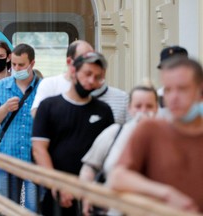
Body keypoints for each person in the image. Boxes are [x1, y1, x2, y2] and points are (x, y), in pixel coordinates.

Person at [108, 57, 203, 213]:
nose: (173, 98)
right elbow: (117, 177)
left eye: (182, 89)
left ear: (200, 91)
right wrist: (166, 193)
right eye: (168, 90)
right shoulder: (150, 130)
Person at [32, 52, 115, 216]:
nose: (91, 81)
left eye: (98, 77)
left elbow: (110, 153)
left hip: (93, 193)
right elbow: (39, 149)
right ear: (73, 71)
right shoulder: (48, 106)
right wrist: (57, 185)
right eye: (87, 74)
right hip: (56, 192)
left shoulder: (104, 111)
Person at [79, 83, 158, 215]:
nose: (143, 111)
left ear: (157, 108)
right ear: (129, 109)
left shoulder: (168, 139)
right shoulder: (114, 133)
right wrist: (87, 194)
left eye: (149, 106)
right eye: (138, 106)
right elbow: (89, 168)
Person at [0, 43, 41, 211]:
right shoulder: (1, 87)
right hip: (8, 157)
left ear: (32, 64)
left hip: (35, 159)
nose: (16, 68)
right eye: (14, 64)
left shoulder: (43, 87)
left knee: (33, 208)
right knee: (7, 209)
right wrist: (4, 109)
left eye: (21, 65)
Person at [31, 40, 129, 124]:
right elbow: (38, 115)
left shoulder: (116, 100)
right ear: (70, 62)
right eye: (84, 58)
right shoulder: (50, 84)